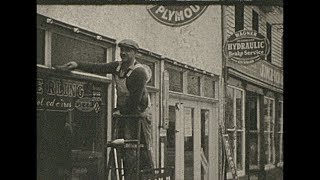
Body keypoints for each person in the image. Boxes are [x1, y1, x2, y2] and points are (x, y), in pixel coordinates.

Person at [56, 39, 154, 178]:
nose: (123, 53)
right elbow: (98, 68)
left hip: (138, 116)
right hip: (125, 113)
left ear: (135, 53)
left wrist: (119, 112)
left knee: (134, 152)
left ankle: (136, 176)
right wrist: (77, 65)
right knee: (123, 150)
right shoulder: (117, 67)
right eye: (122, 50)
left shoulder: (138, 72)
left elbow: (134, 102)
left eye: (127, 50)